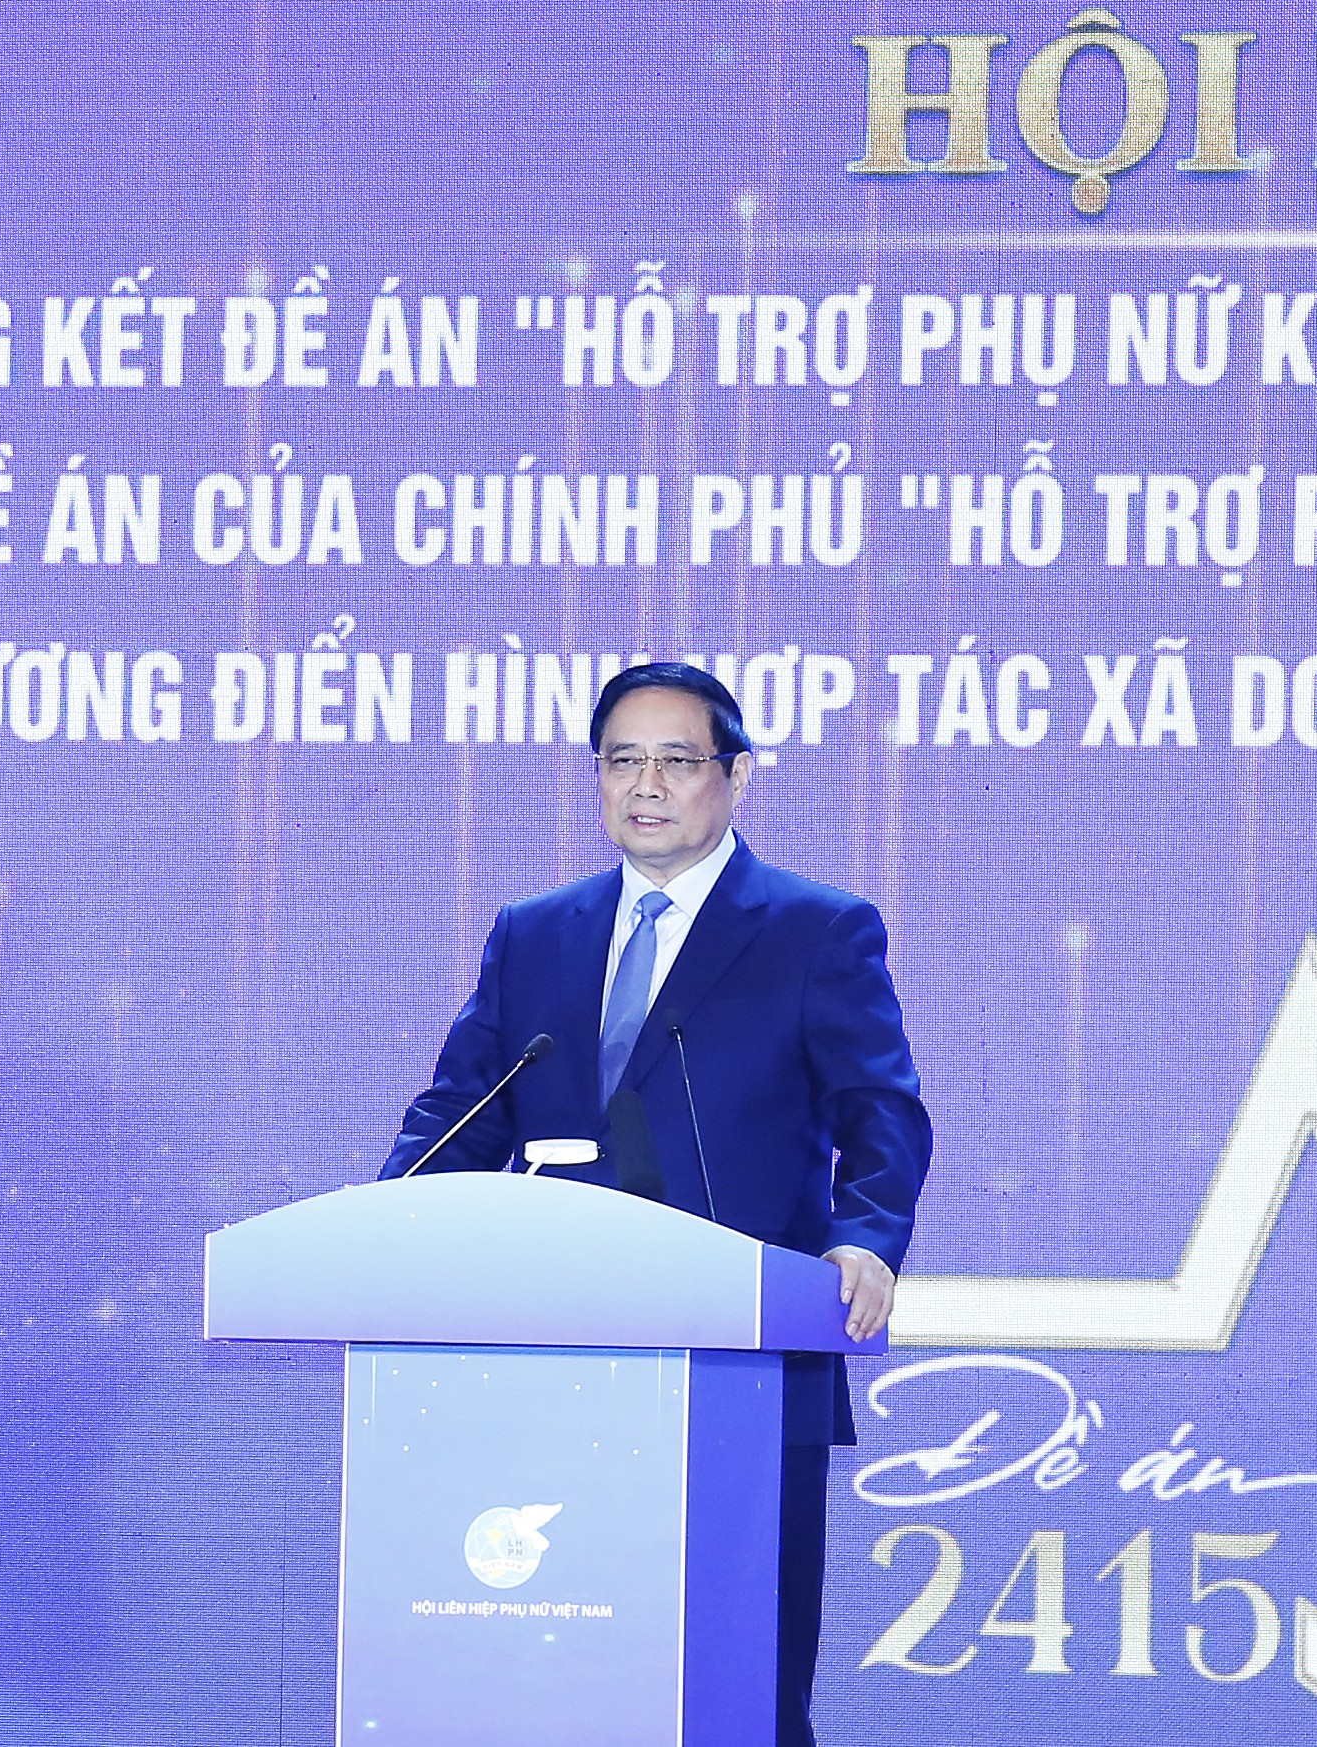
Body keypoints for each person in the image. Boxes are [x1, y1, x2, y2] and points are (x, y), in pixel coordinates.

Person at [379, 661, 931, 1747]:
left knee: (740, 1691)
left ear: (736, 775)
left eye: (677, 760)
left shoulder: (816, 930)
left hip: (743, 1365)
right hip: (550, 1365)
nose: (646, 784)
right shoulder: (533, 933)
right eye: (622, 760)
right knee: (557, 1683)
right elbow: (462, 1110)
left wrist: (865, 1238)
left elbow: (882, 1112)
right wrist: (389, 1224)